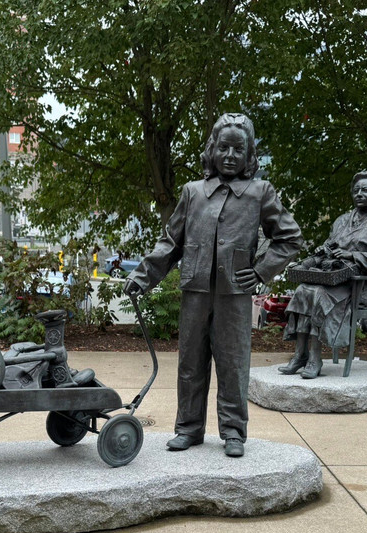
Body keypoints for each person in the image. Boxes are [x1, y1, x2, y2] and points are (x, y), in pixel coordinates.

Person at [125, 113, 302, 457]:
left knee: (233, 363)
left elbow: (289, 238)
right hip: (195, 291)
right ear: (212, 150)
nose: (231, 155)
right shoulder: (193, 193)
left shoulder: (259, 192)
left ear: (250, 154)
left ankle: (234, 431)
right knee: (190, 362)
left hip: (234, 294)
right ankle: (189, 428)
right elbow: (170, 242)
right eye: (224, 147)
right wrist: (143, 276)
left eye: (239, 148)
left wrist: (262, 271)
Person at [279, 170, 367, 378]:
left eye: (365, 190)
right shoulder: (342, 220)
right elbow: (329, 247)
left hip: (360, 283)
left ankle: (316, 359)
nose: (359, 194)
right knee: (302, 291)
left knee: (318, 295)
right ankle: (300, 355)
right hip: (332, 276)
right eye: (356, 190)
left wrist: (352, 255)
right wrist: (318, 255)